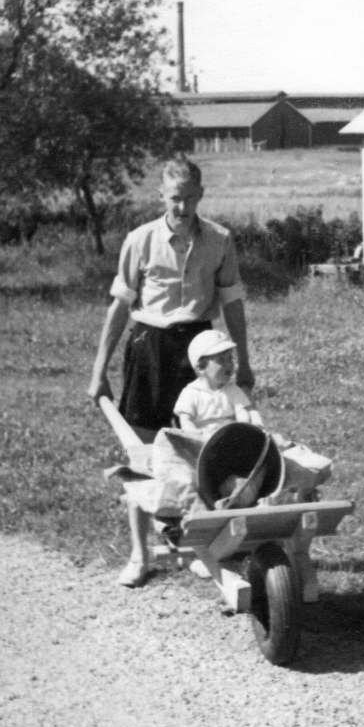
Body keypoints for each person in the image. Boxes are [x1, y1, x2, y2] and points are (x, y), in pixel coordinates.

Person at [87, 156, 254, 442]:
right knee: (144, 436)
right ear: (161, 195)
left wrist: (245, 363)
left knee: (203, 432)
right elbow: (120, 306)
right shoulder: (140, 240)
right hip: (149, 344)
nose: (183, 207)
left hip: (200, 344)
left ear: (201, 194)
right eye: (175, 198)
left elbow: (232, 303)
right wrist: (98, 371)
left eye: (190, 198)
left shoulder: (220, 239)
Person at [116, 329, 266, 587]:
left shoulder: (232, 392)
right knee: (185, 483)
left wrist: (255, 429)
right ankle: (193, 540)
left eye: (231, 358)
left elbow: (246, 414)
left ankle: (236, 530)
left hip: (230, 447)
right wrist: (201, 439)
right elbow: (186, 427)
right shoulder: (191, 393)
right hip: (199, 451)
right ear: (200, 366)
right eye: (222, 360)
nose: (230, 365)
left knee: (248, 477)